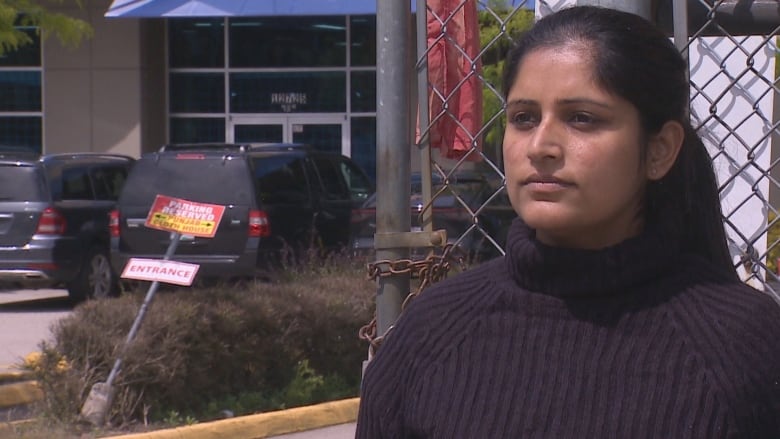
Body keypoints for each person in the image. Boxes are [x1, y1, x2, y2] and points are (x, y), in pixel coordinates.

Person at [355, 5, 780, 438]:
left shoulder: (741, 347)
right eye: (524, 118)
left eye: (582, 118)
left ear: (660, 150)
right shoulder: (431, 331)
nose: (540, 146)